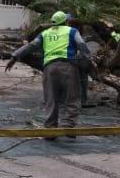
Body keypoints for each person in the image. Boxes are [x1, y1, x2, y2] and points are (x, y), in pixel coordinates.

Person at [5, 10, 91, 139]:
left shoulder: (45, 33)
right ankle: (67, 126)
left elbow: (31, 46)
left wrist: (14, 57)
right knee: (72, 97)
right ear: (66, 21)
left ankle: (50, 130)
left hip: (49, 68)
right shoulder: (72, 31)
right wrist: (88, 59)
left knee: (51, 98)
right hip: (68, 67)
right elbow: (81, 45)